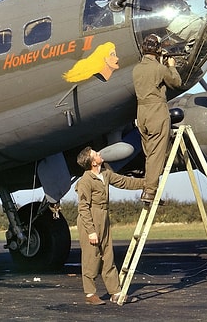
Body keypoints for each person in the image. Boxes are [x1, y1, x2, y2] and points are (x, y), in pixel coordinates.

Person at [75, 146, 145, 305]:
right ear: (93, 162)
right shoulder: (85, 181)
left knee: (108, 256)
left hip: (104, 217)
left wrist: (146, 183)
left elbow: (124, 182)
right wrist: (91, 231)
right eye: (96, 154)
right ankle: (90, 294)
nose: (100, 154)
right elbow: (83, 207)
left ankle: (115, 292)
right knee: (91, 257)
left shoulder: (105, 174)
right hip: (90, 219)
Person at [132, 34, 182, 204]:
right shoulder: (159, 69)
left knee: (149, 154)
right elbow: (176, 82)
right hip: (156, 112)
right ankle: (150, 192)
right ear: (158, 49)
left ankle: (149, 188)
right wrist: (171, 66)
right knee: (157, 154)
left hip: (141, 113)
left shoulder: (136, 69)